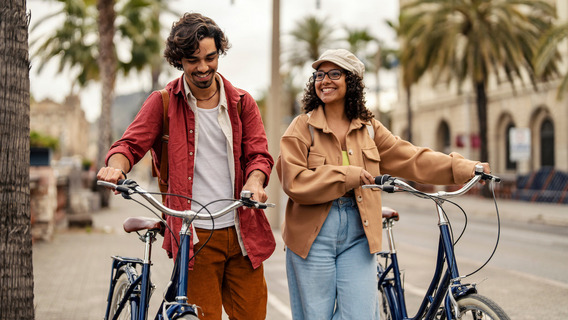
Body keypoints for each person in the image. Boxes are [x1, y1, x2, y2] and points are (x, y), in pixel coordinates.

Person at [275, 48, 490, 320]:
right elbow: (294, 182)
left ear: (351, 80)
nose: (324, 80)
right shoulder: (301, 127)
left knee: (360, 315)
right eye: (319, 74)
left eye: (334, 74)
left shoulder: (369, 129)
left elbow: (413, 158)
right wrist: (347, 176)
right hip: (312, 237)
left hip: (358, 233)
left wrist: (464, 167)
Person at [97, 13, 275, 320]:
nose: (203, 67)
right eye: (193, 60)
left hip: (243, 232)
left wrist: (256, 181)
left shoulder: (243, 102)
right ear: (179, 60)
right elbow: (127, 146)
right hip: (195, 237)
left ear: (219, 53)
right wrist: (116, 168)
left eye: (210, 57)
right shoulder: (163, 102)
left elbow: (259, 156)